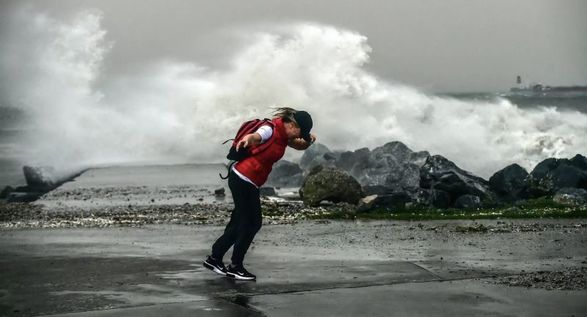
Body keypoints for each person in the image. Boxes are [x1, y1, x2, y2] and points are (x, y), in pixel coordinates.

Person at [203, 107, 316, 281]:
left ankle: (215, 258)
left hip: (248, 180)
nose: (299, 135)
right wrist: (249, 139)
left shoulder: (285, 135)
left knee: (239, 222)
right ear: (293, 124)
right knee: (252, 223)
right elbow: (257, 136)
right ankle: (235, 266)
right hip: (243, 179)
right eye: (301, 131)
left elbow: (299, 145)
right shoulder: (270, 129)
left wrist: (309, 141)